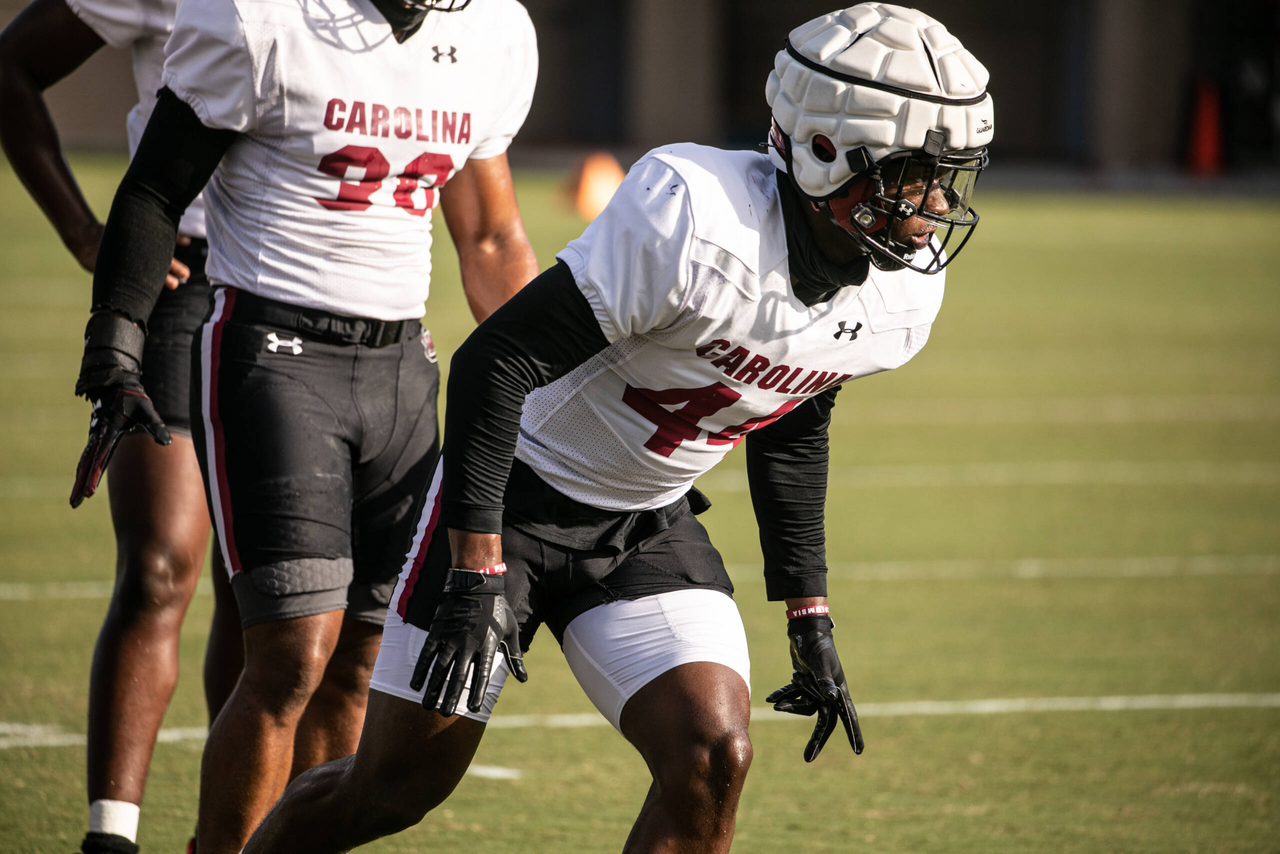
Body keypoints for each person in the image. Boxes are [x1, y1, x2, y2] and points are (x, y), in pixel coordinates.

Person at [245, 3, 994, 853]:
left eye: (946, 178)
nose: (933, 206)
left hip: (644, 521)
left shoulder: (897, 294)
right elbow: (496, 362)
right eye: (914, 175)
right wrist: (475, 570)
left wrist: (808, 613)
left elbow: (796, 416)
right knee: (392, 787)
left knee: (714, 753)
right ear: (826, 151)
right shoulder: (699, 218)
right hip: (511, 502)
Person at [70, 0, 540, 850]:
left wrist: (547, 388)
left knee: (364, 665)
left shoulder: (493, 31)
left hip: (403, 364)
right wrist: (117, 340)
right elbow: (155, 185)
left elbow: (493, 236)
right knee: (290, 655)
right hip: (273, 349)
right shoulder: (263, 16)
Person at [0, 1, 244, 851]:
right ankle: (111, 837)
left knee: (268, 594)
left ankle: (232, 832)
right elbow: (11, 64)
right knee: (159, 563)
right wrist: (82, 231)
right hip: (186, 271)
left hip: (304, 297)